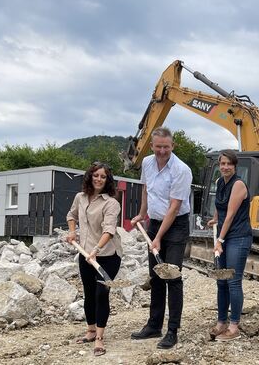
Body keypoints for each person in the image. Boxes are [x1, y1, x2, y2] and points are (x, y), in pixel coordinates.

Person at [130, 127, 193, 349]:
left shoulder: (181, 170)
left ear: (172, 146)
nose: (162, 151)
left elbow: (175, 207)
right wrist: (142, 213)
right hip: (155, 222)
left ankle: (172, 330)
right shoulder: (147, 162)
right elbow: (147, 189)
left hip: (175, 225)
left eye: (166, 147)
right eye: (158, 147)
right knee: (156, 275)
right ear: (152, 146)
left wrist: (157, 238)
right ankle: (154, 325)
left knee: (172, 276)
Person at [66, 162, 122, 357]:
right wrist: (73, 232)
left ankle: (99, 338)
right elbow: (71, 215)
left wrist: (96, 249)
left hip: (107, 256)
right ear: (90, 177)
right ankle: (90, 331)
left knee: (101, 293)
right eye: (96, 175)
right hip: (85, 254)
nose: (99, 179)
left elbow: (109, 230)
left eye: (103, 176)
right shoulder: (80, 198)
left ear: (108, 181)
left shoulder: (111, 203)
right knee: (89, 293)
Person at [206, 150, 253, 342]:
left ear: (235, 166)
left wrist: (220, 240)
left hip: (238, 236)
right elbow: (221, 206)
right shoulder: (219, 182)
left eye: (229, 164)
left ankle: (234, 326)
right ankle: (221, 322)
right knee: (221, 280)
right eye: (222, 163)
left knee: (233, 281)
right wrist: (216, 218)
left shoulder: (239, 184)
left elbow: (232, 214)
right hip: (225, 234)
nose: (225, 167)